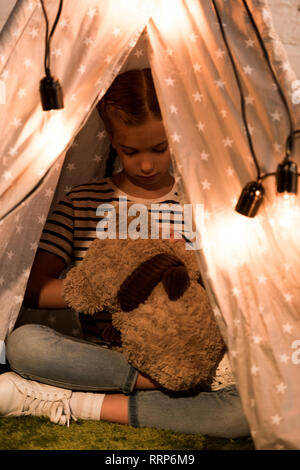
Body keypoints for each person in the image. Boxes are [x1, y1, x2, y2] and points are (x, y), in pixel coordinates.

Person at [0, 68, 250, 438]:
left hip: (190, 353)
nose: (146, 164)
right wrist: (104, 282)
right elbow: (32, 290)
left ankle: (70, 403)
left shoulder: (203, 205)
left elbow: (233, 295)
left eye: (159, 148)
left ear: (177, 136)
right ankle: (161, 384)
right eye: (130, 151)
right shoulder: (82, 202)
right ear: (111, 141)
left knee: (244, 413)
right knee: (23, 345)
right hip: (102, 356)